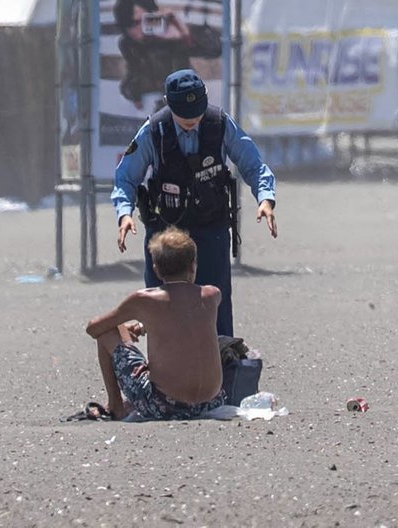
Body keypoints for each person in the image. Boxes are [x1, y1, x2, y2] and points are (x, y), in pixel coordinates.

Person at [112, 69, 277, 337]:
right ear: (168, 103)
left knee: (215, 305)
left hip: (210, 228)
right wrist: (124, 213)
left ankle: (221, 361)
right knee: (160, 306)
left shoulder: (220, 124)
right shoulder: (154, 130)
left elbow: (253, 164)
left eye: (197, 114)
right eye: (184, 115)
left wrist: (265, 199)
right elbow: (126, 178)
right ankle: (164, 361)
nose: (192, 121)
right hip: (166, 232)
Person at [85, 227, 225, 420]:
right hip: (212, 402)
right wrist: (143, 326)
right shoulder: (212, 295)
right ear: (193, 266)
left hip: (165, 406)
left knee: (108, 330)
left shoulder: (144, 300)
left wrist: (123, 327)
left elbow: (93, 328)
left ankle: (116, 406)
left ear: (156, 269)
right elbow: (182, 322)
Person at [113, 0, 221, 109]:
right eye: (135, 23)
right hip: (152, 91)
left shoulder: (169, 36)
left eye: (147, 20)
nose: (142, 28)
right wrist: (135, 94)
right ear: (125, 26)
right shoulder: (127, 43)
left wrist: (184, 33)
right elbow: (132, 72)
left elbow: (215, 49)